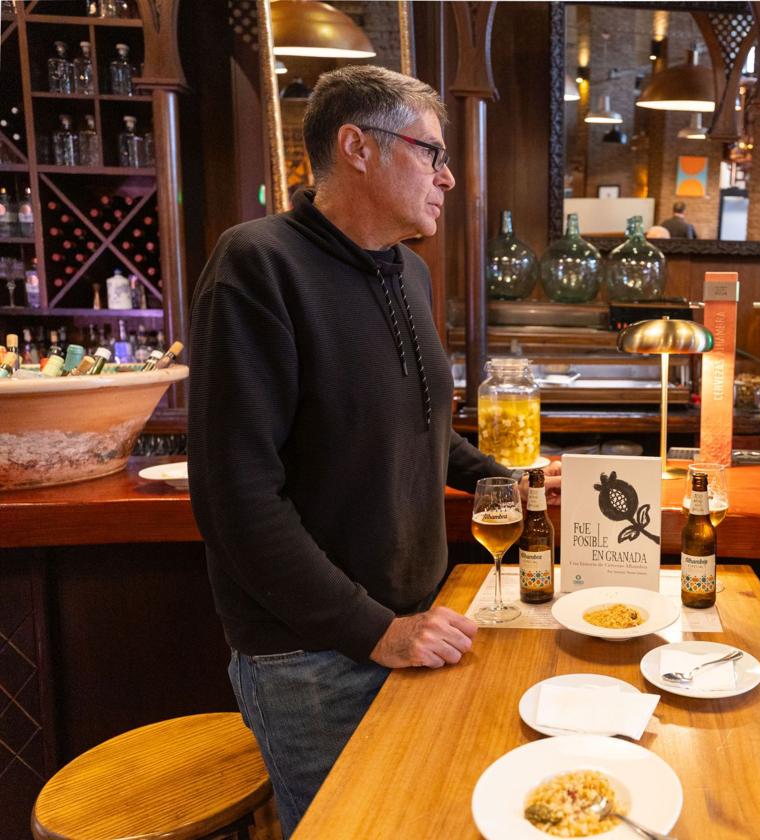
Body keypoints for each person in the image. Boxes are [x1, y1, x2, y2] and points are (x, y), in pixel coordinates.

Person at [188, 65, 559, 836]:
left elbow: (419, 432)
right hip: (313, 657)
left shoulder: (409, 271)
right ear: (356, 146)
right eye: (431, 152)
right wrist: (376, 631)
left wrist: (511, 481)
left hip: (414, 626)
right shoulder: (256, 264)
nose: (449, 177)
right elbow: (236, 498)